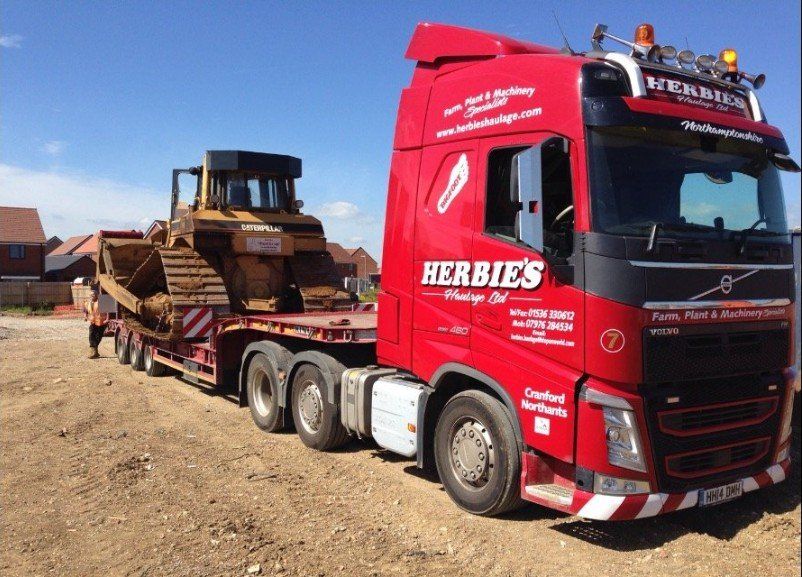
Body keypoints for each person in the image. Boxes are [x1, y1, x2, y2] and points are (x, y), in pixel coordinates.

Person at [84, 289, 107, 359]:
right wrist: (85, 316)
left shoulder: (101, 302)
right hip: (93, 321)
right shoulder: (88, 302)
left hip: (102, 322)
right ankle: (93, 350)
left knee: (98, 337)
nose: (92, 296)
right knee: (91, 334)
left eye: (93, 295)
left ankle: (95, 351)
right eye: (91, 295)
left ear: (97, 295)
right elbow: (85, 310)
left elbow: (107, 309)